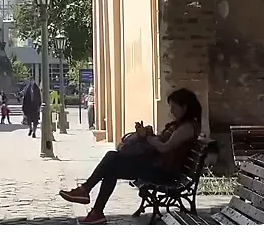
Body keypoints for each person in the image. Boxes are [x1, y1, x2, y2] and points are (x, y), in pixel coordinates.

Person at [58, 88, 204, 224]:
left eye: (174, 107)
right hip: (157, 167)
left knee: (112, 158)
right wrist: (148, 134)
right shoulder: (182, 124)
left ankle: (87, 194)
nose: (171, 111)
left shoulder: (187, 128)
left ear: (184, 107)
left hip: (164, 173)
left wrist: (146, 137)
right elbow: (161, 142)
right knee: (112, 165)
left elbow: (165, 148)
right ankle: (95, 209)